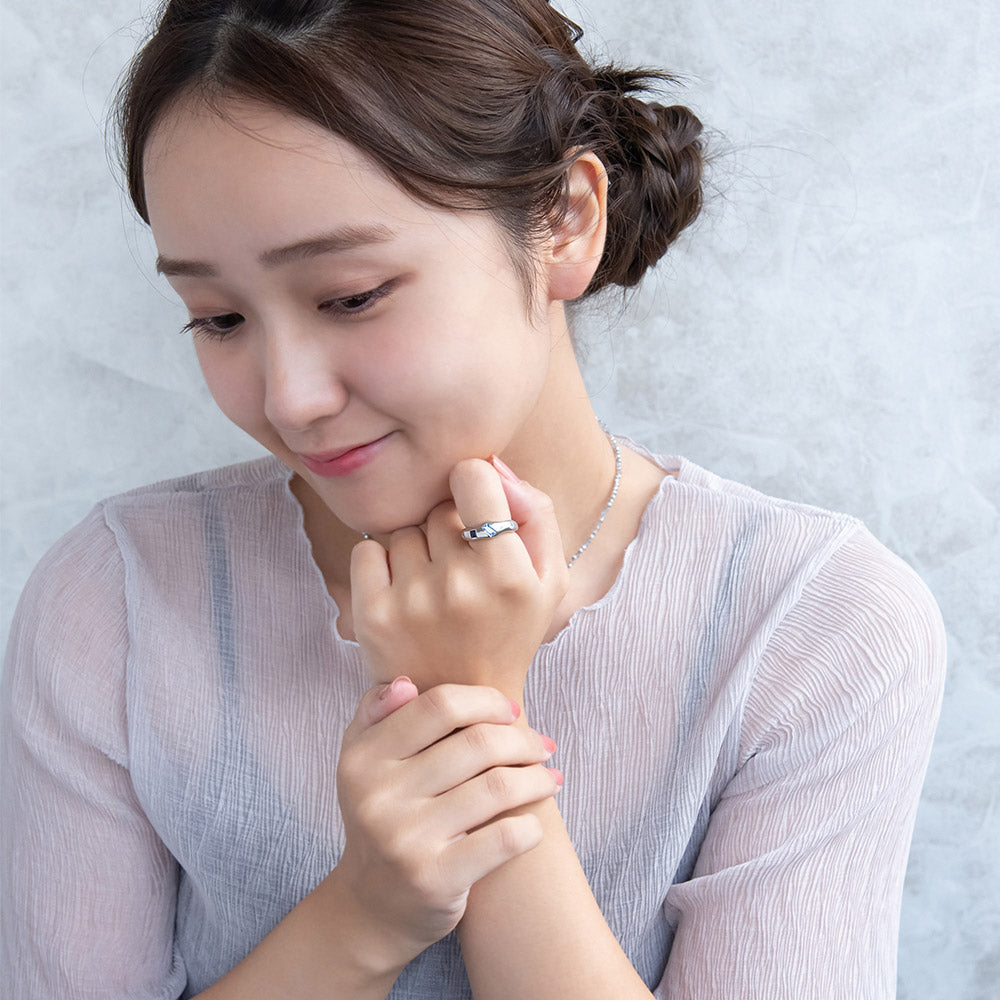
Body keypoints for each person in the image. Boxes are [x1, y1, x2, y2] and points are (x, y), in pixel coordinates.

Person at [0, 1, 947, 997]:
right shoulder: (116, 599)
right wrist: (367, 913)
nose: (289, 397)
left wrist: (476, 715)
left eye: (351, 295)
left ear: (565, 221)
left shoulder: (810, 625)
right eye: (218, 317)